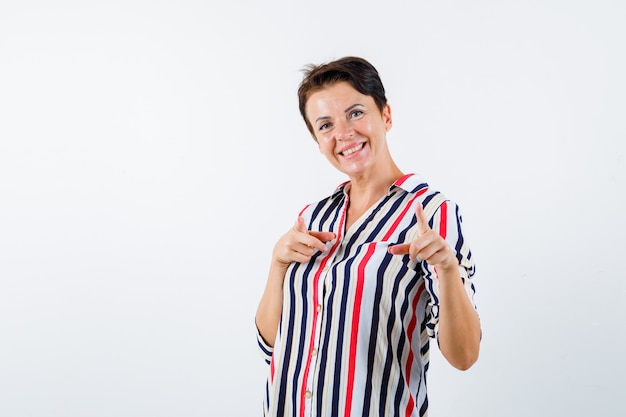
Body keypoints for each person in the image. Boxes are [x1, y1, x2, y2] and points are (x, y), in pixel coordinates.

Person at [255, 56, 481, 417]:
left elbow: (465, 355)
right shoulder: (312, 217)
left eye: (356, 113)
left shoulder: (431, 214)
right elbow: (273, 345)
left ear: (386, 116)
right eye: (325, 124)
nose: (343, 133)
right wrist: (277, 264)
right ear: (317, 140)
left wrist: (448, 271)